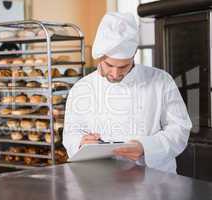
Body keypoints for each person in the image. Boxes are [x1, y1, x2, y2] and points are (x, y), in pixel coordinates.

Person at [62, 12, 192, 173]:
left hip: (155, 181)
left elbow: (180, 129)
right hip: (102, 179)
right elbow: (71, 133)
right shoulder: (82, 88)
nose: (115, 74)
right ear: (99, 57)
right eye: (109, 65)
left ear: (134, 54)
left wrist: (146, 148)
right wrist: (80, 143)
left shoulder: (161, 81)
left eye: (123, 66)